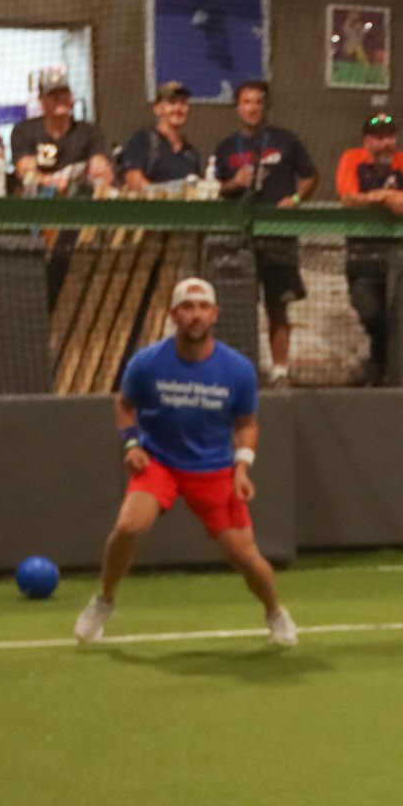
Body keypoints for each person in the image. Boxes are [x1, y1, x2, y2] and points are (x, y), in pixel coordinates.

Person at [74, 277, 297, 650]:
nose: (196, 315)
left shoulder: (237, 369)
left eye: (203, 307)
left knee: (244, 555)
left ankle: (275, 612)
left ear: (215, 314)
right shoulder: (147, 362)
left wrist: (241, 468)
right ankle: (105, 601)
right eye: (187, 307)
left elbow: (246, 423)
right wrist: (131, 444)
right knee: (128, 526)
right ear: (173, 315)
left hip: (214, 469)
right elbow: (124, 404)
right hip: (159, 462)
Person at [210, 80, 318, 383]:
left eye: (258, 102)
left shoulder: (286, 140)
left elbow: (310, 176)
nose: (252, 108)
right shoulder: (225, 148)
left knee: (278, 306)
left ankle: (280, 371)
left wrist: (295, 199)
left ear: (265, 106)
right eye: (246, 102)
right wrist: (234, 183)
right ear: (237, 107)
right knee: (236, 308)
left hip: (278, 237)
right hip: (239, 239)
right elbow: (213, 188)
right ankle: (237, 372)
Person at [333, 112, 403, 384]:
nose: (386, 142)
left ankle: (384, 370)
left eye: (390, 136)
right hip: (362, 256)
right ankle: (379, 363)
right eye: (379, 137)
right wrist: (386, 197)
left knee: (400, 317)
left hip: (401, 257)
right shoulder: (352, 159)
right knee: (371, 312)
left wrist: (388, 197)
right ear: (367, 141)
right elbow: (349, 198)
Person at [8, 72, 113, 197]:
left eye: (64, 93)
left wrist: (99, 173)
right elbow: (26, 173)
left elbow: (102, 171)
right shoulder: (24, 130)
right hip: (37, 201)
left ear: (71, 98)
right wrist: (56, 182)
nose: (60, 99)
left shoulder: (90, 131)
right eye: (53, 94)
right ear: (41, 100)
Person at [116, 81, 204, 189]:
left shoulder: (191, 154)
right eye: (172, 103)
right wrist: (164, 194)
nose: (178, 108)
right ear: (158, 109)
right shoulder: (143, 140)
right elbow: (133, 179)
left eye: (182, 103)